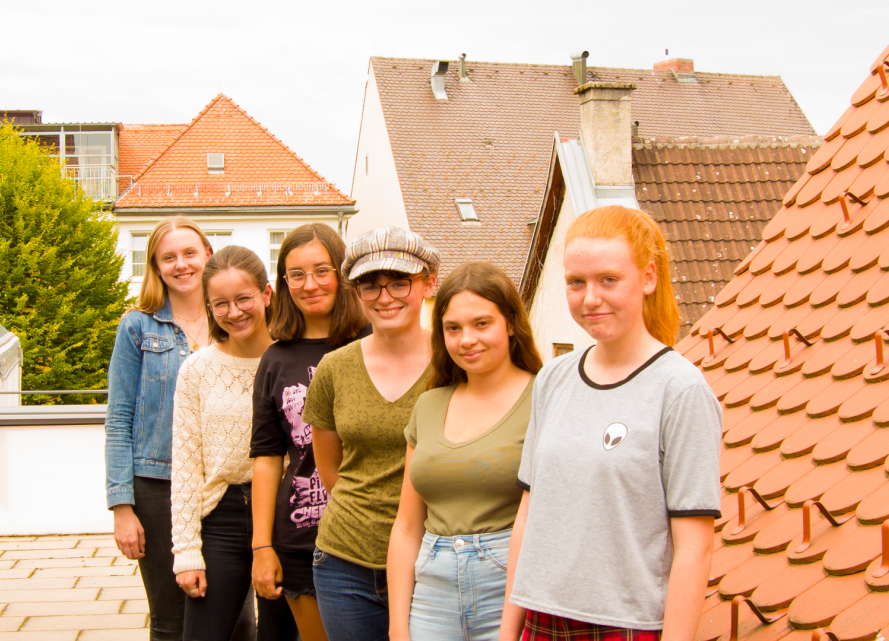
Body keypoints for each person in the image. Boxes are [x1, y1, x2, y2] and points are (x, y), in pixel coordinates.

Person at [499, 205, 720, 641]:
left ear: (649, 278)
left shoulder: (680, 389)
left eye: (609, 280)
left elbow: (695, 546)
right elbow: (529, 515)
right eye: (576, 282)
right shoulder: (552, 379)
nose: (590, 298)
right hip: (542, 621)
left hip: (629, 626)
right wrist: (508, 633)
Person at [387, 262, 542, 641]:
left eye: (481, 323)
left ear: (510, 323)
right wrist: (397, 627)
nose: (466, 339)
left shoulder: (544, 398)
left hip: (510, 589)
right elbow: (407, 527)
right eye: (453, 328)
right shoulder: (429, 405)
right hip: (432, 594)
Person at [303, 226, 440, 641]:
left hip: (432, 558)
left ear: (429, 283)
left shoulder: (455, 363)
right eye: (370, 285)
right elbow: (330, 471)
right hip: (345, 562)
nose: (385, 297)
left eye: (400, 282)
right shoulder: (334, 369)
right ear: (354, 292)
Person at [250, 224, 371, 641]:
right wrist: (261, 546)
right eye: (296, 274)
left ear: (342, 273)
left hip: (374, 534)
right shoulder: (275, 358)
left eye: (322, 270)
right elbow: (267, 457)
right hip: (301, 537)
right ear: (283, 284)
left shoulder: (374, 341)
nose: (310, 284)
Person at [106, 216, 223, 641]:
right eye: (167, 257)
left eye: (189, 253)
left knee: (235, 619)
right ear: (156, 267)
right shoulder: (136, 327)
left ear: (207, 255)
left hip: (225, 486)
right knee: (172, 621)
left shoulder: (235, 320)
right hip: (158, 485)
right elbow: (119, 418)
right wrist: (121, 507)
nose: (181, 264)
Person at [170, 245, 295, 641]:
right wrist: (186, 551)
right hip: (220, 517)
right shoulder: (196, 370)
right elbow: (187, 464)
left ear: (267, 294)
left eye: (243, 298)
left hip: (283, 514)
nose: (234, 312)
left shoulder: (293, 361)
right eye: (220, 303)